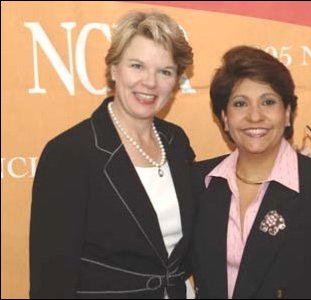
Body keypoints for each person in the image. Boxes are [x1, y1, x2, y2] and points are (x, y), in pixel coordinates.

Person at [30, 11, 195, 299]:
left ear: (176, 81)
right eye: (137, 66)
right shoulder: (69, 154)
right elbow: (51, 279)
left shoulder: (176, 141)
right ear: (114, 69)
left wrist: (280, 161)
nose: (150, 82)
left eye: (165, 71)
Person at [191, 46, 311, 299]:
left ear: (287, 113)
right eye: (240, 104)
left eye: (268, 102)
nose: (254, 116)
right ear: (225, 118)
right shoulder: (201, 182)